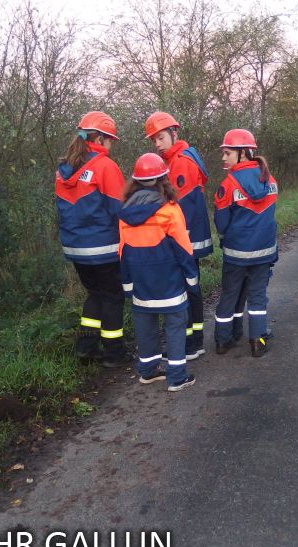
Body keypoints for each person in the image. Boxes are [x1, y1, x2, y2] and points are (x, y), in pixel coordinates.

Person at [55, 111, 129, 367]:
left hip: (75, 247)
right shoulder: (105, 166)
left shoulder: (63, 168)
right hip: (103, 247)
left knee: (95, 294)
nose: (111, 146)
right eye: (110, 140)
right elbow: (119, 209)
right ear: (99, 138)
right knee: (112, 296)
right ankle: (114, 353)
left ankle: (86, 348)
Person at [119, 153, 198, 392]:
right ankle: (176, 377)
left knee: (145, 326)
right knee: (175, 325)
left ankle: (148, 371)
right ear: (164, 178)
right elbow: (184, 249)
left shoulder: (124, 213)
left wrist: (128, 286)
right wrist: (191, 279)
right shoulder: (170, 210)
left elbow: (123, 252)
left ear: (134, 182)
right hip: (170, 282)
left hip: (141, 284)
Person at [144, 111, 213, 360]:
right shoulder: (173, 160)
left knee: (188, 288)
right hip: (184, 238)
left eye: (160, 137)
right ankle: (191, 340)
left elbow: (183, 208)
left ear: (174, 133)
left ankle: (193, 343)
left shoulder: (182, 161)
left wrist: (174, 241)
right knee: (187, 287)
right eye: (153, 140)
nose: (157, 143)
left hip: (185, 239)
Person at [213, 129, 278, 358]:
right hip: (264, 252)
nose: (223, 158)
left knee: (230, 295)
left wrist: (226, 237)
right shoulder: (270, 180)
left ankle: (222, 341)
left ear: (243, 154)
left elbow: (221, 224)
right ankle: (258, 342)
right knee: (258, 296)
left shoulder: (228, 184)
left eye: (227, 153)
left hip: (236, 253)